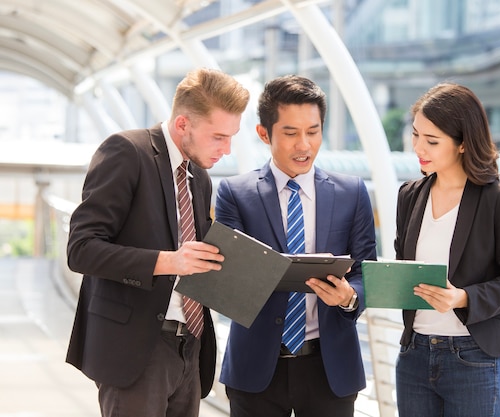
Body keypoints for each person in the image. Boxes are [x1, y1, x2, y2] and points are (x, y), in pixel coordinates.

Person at [65, 68, 250, 417]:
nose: (226, 149)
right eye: (218, 137)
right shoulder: (126, 152)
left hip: (189, 348)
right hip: (137, 349)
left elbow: (196, 257)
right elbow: (81, 249)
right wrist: (168, 262)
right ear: (183, 125)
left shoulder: (199, 177)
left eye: (231, 138)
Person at [215, 74, 377, 417]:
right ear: (264, 133)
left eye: (313, 131)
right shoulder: (235, 194)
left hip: (329, 369)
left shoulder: (352, 193)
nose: (304, 145)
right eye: (290, 133)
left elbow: (366, 273)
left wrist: (349, 298)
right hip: (256, 368)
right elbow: (228, 281)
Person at [394, 82, 500, 417]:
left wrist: (463, 297)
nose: (418, 148)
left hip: (473, 357)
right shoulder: (410, 195)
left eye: (431, 140)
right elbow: (404, 268)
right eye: (415, 135)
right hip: (415, 352)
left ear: (462, 144)